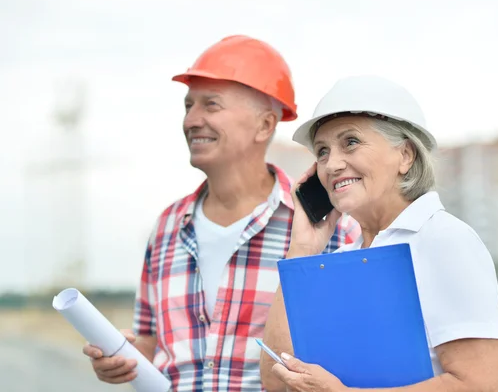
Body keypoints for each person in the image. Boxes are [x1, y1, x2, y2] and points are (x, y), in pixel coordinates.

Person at [82, 35, 360, 392]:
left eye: (211, 105)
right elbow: (155, 345)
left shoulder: (328, 229)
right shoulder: (168, 226)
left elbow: (350, 356)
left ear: (265, 125)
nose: (192, 120)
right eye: (188, 106)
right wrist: (124, 357)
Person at [260, 75, 498, 392]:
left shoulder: (443, 240)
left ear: (405, 155)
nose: (332, 164)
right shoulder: (336, 259)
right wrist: (302, 250)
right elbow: (276, 382)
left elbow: (485, 385)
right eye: (322, 151)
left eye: (350, 142)